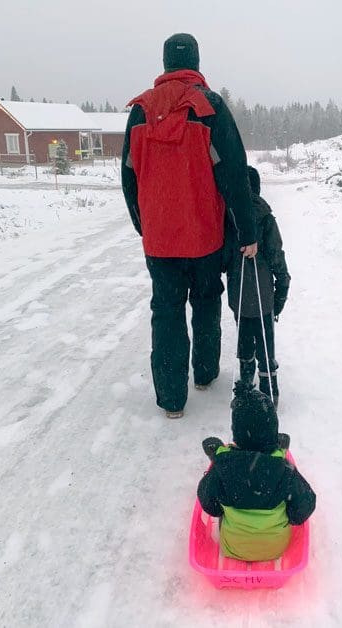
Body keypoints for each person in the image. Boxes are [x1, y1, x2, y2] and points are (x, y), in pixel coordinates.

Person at [121, 33, 258, 419]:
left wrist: (143, 223)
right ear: (195, 62)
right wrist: (247, 232)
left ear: (165, 64)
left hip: (160, 241)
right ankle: (204, 373)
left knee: (166, 312)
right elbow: (234, 175)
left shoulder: (140, 111)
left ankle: (171, 400)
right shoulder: (209, 107)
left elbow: (128, 176)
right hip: (204, 237)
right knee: (206, 300)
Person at [197, 381, 316, 561]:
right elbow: (304, 507)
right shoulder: (285, 471)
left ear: (236, 434)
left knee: (224, 501)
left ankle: (220, 451)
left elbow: (208, 504)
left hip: (233, 546)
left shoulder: (223, 468)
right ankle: (278, 450)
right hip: (275, 548)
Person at [224, 166, 290, 406]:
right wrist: (282, 288)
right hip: (264, 295)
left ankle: (245, 385)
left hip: (238, 294)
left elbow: (223, 258)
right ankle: (269, 389)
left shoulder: (229, 218)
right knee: (265, 341)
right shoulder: (265, 217)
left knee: (244, 338)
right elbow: (276, 256)